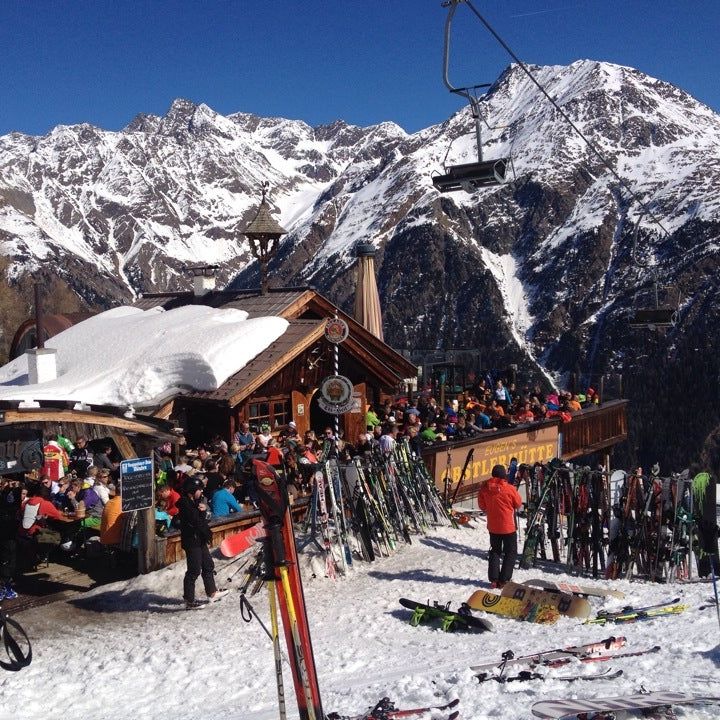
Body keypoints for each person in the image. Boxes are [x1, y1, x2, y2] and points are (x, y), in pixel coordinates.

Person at [178, 476, 227, 609]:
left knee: (208, 565)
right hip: (192, 541)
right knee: (194, 570)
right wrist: (202, 512)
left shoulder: (195, 502)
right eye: (199, 489)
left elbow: (205, 519)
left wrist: (204, 512)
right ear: (192, 490)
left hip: (200, 538)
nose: (201, 492)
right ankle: (189, 600)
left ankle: (212, 592)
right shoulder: (184, 503)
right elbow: (194, 521)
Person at [477, 464, 522, 589]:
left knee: (495, 551)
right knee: (510, 552)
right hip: (508, 526)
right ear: (504, 475)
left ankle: (494, 579)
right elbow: (518, 503)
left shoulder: (484, 489)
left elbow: (482, 506)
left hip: (493, 526)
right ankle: (504, 579)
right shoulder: (509, 488)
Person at [0, 478, 22, 600]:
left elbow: (15, 505)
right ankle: (4, 587)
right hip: (6, 535)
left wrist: (16, 488)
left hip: (10, 535)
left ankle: (6, 586)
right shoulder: (5, 501)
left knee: (9, 561)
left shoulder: (10, 499)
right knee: (6, 561)